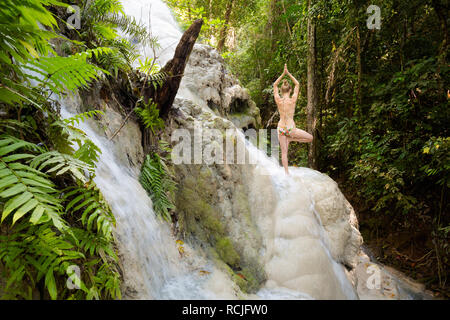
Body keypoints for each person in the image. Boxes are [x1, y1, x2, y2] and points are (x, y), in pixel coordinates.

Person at [273, 64, 313, 175]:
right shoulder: (293, 100)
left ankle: (287, 174)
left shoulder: (278, 100)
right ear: (290, 90)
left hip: (281, 128)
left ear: (281, 90)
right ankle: (292, 139)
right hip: (291, 129)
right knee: (310, 138)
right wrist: (288, 73)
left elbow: (275, 84)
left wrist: (283, 74)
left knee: (284, 153)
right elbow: (297, 84)